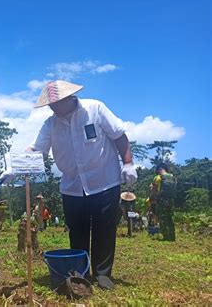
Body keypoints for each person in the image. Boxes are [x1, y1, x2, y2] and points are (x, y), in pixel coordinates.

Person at [25, 80, 137, 289]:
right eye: (50, 105)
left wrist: (128, 162)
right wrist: (19, 163)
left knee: (105, 227)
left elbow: (119, 135)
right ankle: (81, 272)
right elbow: (38, 149)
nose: (52, 108)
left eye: (56, 104)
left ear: (69, 99)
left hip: (104, 180)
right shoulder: (51, 124)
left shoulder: (95, 109)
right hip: (72, 185)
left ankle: (103, 274)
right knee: (77, 230)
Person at [150, 162, 176, 241]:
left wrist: (151, 191)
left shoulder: (157, 177)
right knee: (170, 217)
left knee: (162, 217)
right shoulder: (172, 177)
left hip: (161, 200)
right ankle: (172, 236)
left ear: (159, 169)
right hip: (171, 200)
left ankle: (166, 236)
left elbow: (154, 191)